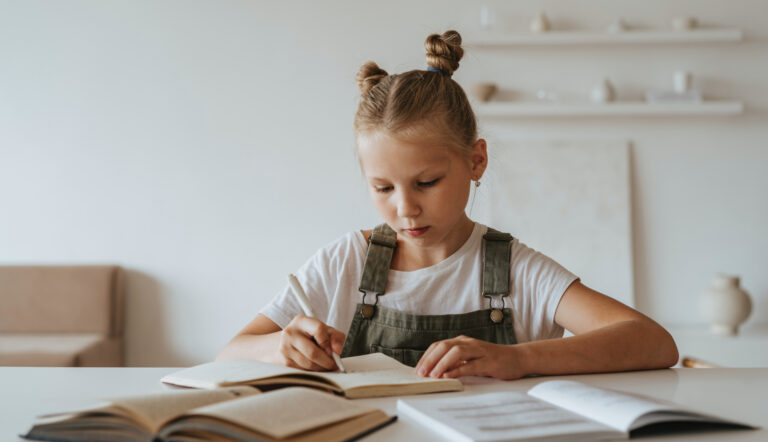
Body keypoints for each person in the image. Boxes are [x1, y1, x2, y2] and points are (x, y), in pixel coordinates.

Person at [217, 30, 678, 380]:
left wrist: (516, 358)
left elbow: (653, 343)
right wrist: (279, 347)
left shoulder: (515, 270)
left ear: (476, 161)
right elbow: (231, 351)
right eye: (382, 189)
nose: (406, 209)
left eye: (426, 182)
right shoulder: (345, 263)